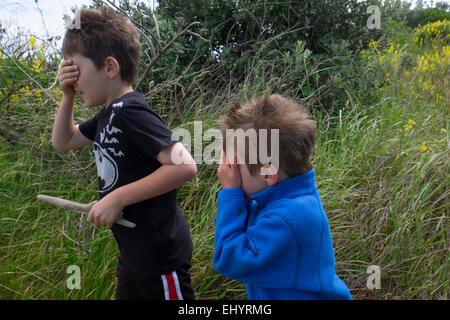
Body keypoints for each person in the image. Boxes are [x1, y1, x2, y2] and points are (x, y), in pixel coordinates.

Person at [52, 7, 197, 300]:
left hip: (160, 260)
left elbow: (185, 166)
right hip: (133, 258)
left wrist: (116, 198)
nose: (74, 80)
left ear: (109, 67)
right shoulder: (108, 115)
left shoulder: (129, 111)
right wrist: (66, 95)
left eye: (76, 70)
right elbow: (63, 141)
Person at [213, 94, 352, 300]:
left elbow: (229, 258)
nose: (226, 171)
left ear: (269, 174)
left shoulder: (288, 217)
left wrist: (230, 194)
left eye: (235, 165)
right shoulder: (282, 199)